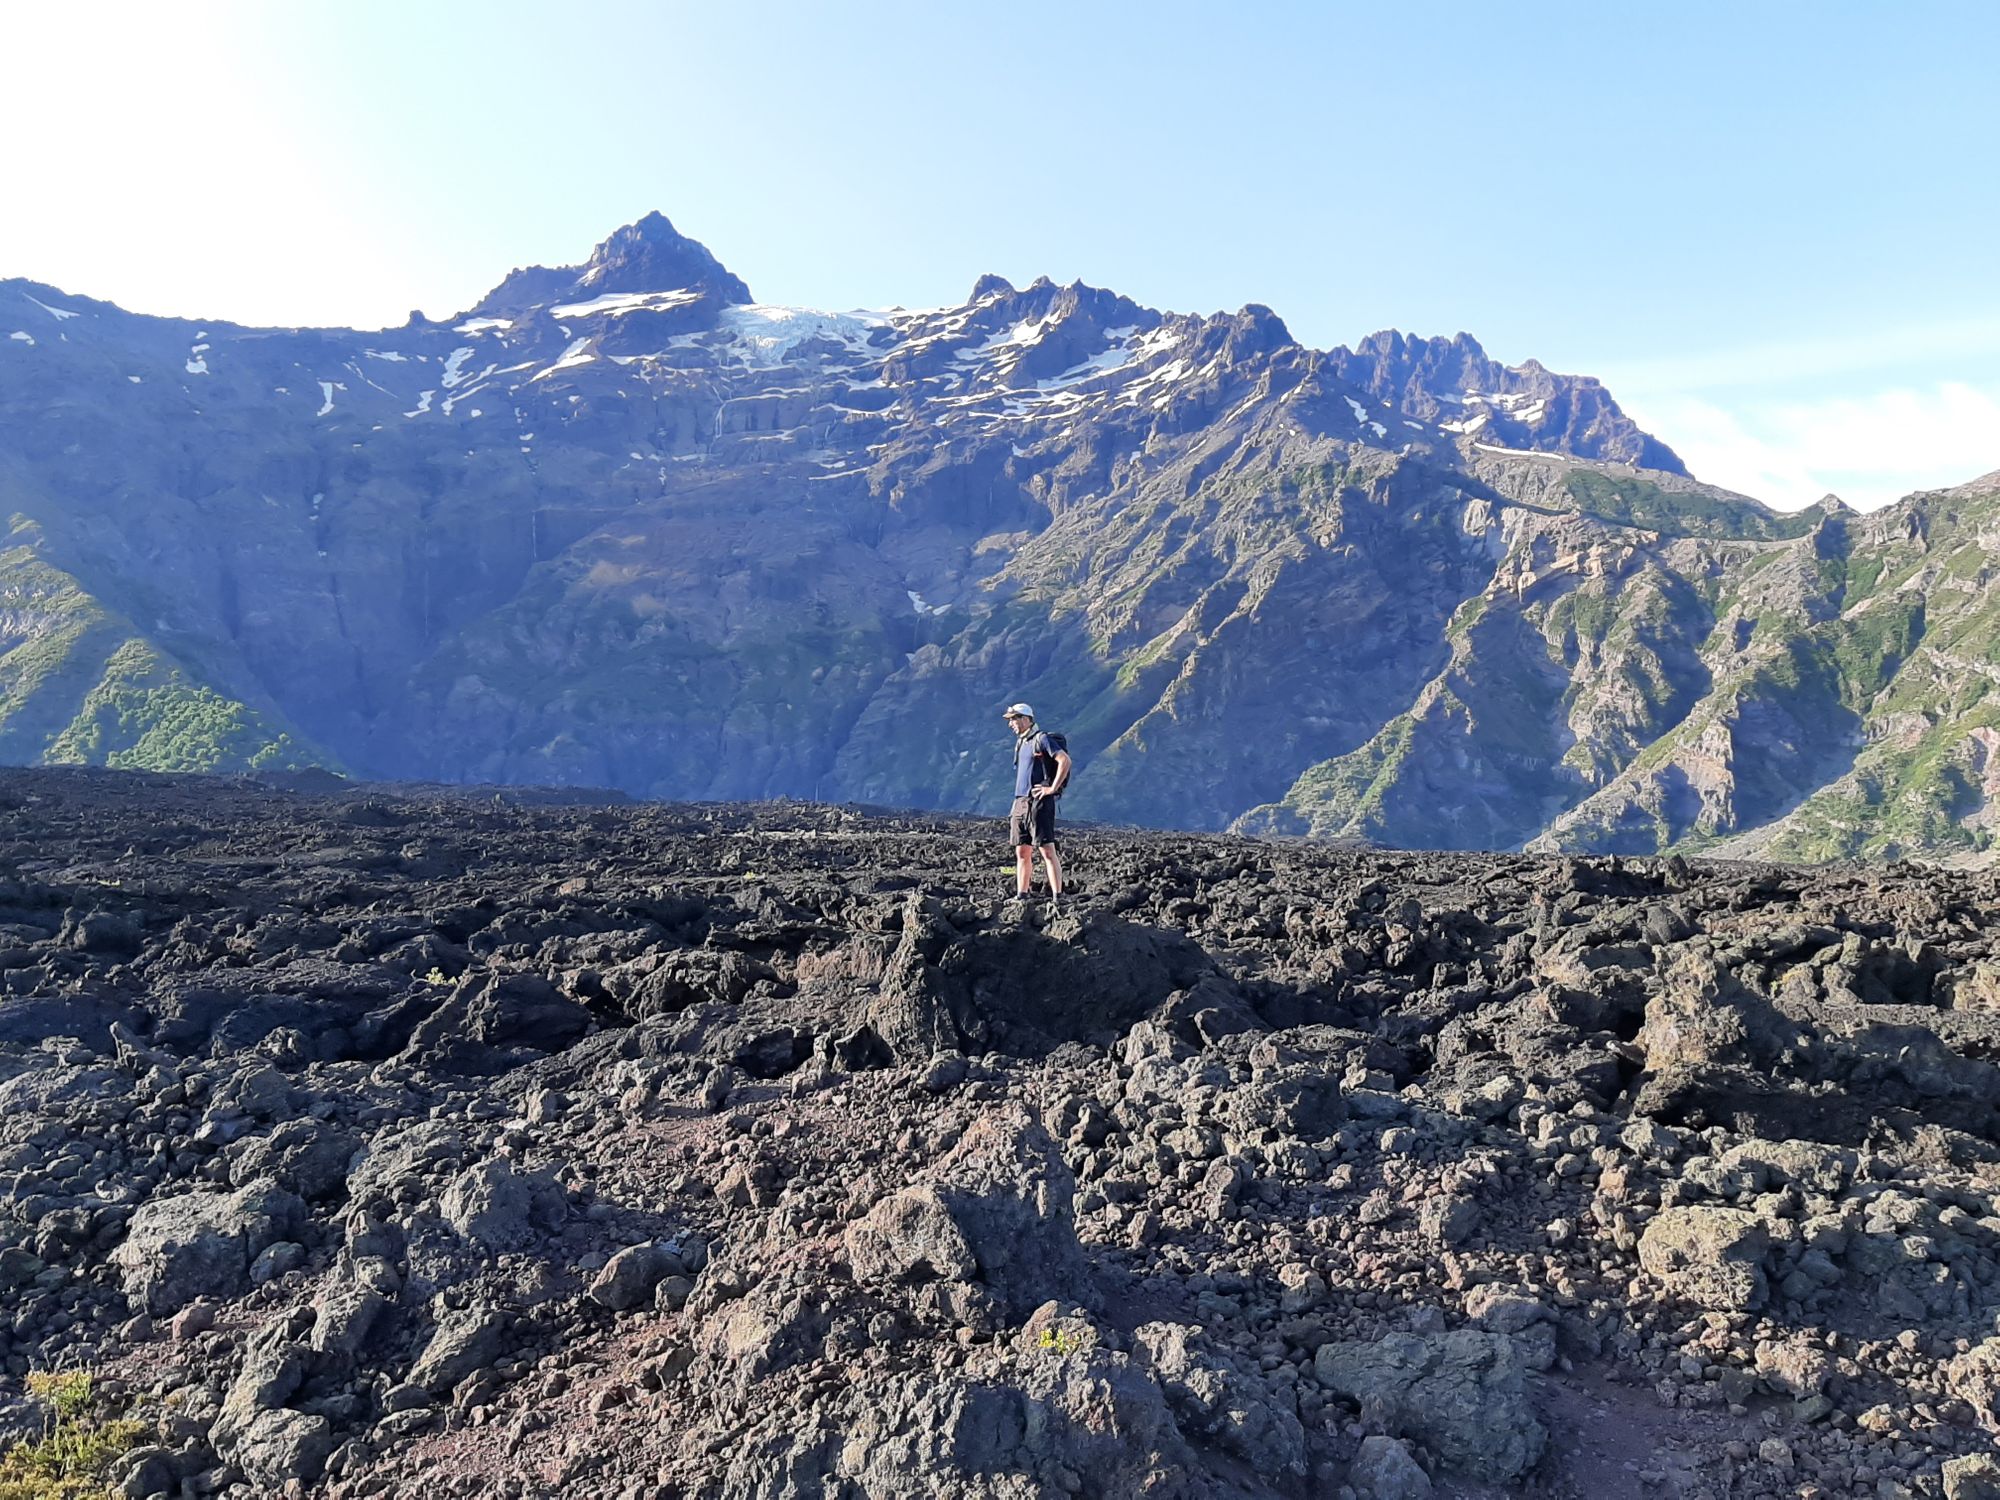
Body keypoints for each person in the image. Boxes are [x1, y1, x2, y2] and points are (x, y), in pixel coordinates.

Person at [1002, 703, 1070, 902]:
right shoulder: (1022, 743)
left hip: (1038, 802)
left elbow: (1064, 760)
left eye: (1013, 719)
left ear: (1025, 718)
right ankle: (1022, 894)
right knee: (1022, 850)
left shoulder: (1042, 739)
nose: (1011, 724)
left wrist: (1052, 788)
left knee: (1047, 849)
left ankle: (1058, 895)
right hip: (1021, 802)